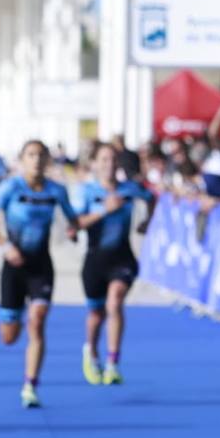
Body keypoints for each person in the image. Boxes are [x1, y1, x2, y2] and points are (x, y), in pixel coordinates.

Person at [0, 140, 79, 409]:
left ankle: (30, 385)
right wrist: (5, 245)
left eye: (41, 156)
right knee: (9, 337)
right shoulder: (11, 187)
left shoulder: (56, 191)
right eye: (31, 155)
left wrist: (74, 230)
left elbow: (73, 219)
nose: (36, 160)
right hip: (14, 266)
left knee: (38, 320)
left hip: (41, 266)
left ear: (47, 161)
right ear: (22, 160)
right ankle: (16, 317)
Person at [74, 142, 155, 386]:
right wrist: (103, 211)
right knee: (96, 314)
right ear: (95, 164)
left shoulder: (129, 189)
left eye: (113, 160)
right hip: (95, 259)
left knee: (115, 301)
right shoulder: (86, 191)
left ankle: (113, 362)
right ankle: (91, 351)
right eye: (104, 160)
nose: (109, 165)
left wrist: (147, 221)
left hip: (123, 258)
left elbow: (152, 198)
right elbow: (76, 222)